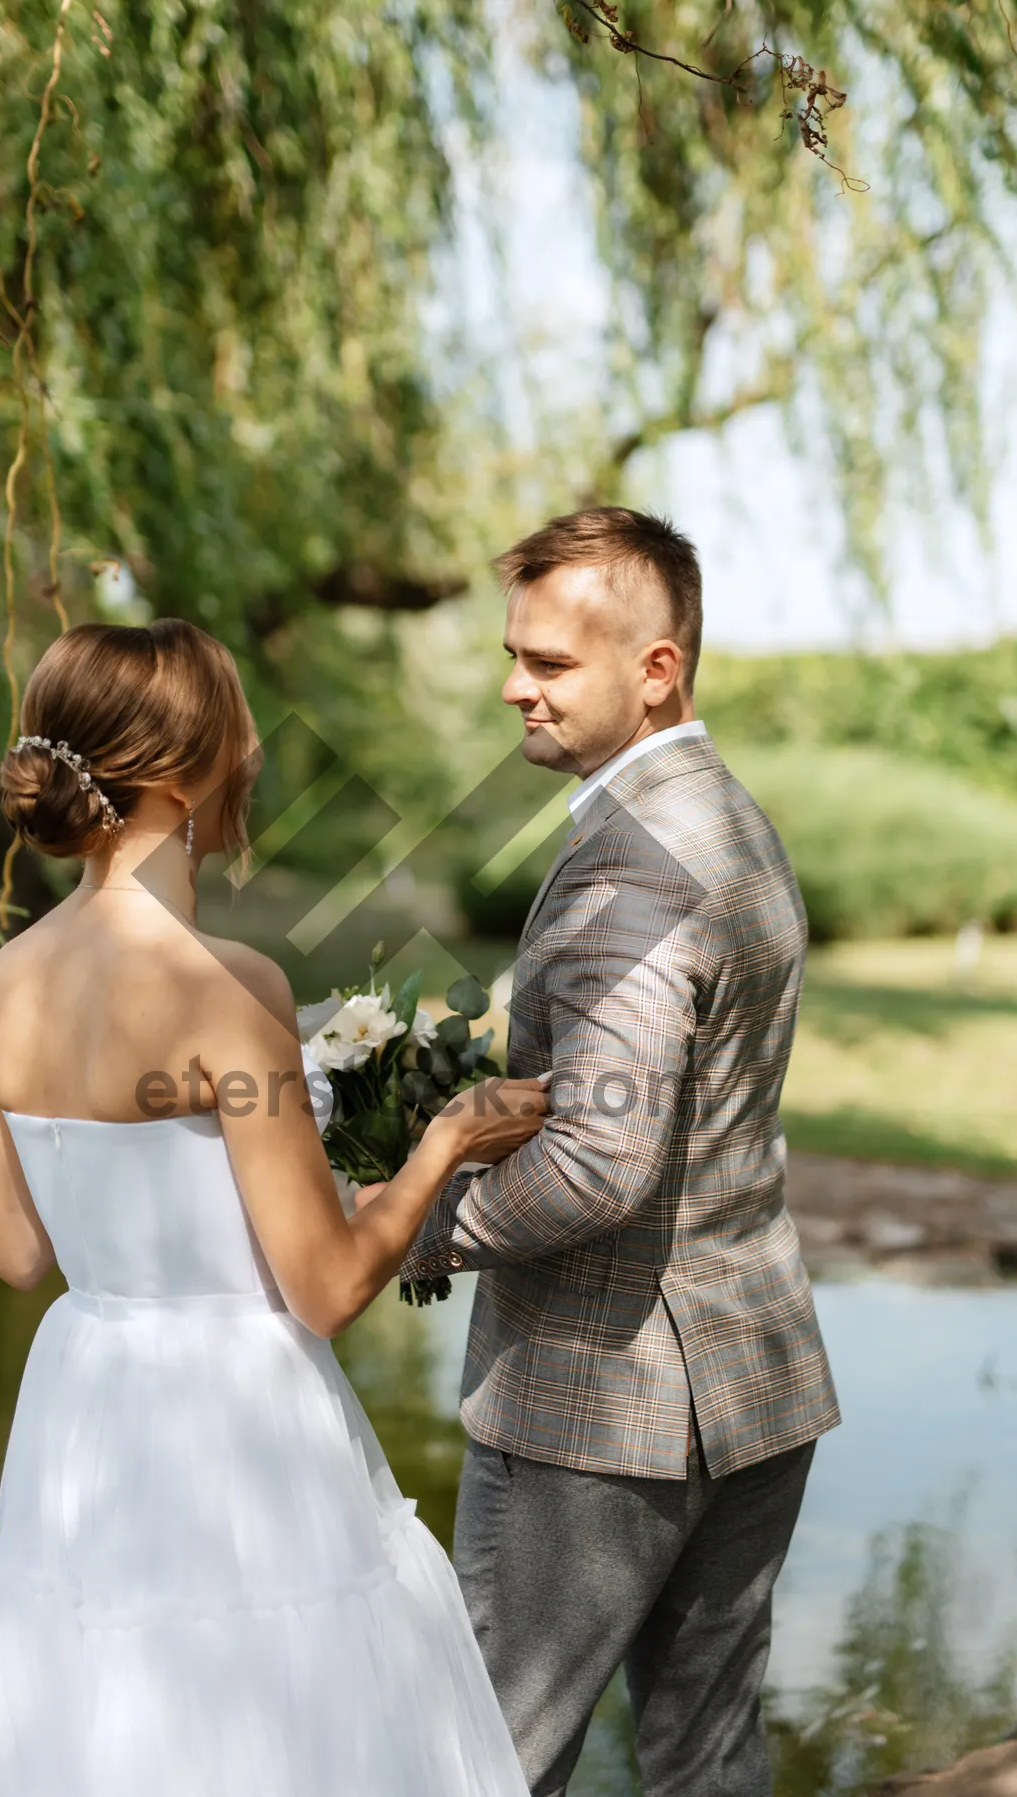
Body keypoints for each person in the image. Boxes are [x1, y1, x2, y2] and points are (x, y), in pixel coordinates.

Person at [0, 617, 548, 1797]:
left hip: (85, 1408)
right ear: (183, 776)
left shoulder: (7, 980)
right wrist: (444, 1143)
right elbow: (325, 1289)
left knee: (111, 1722)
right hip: (231, 1424)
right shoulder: (229, 991)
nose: (257, 758)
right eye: (241, 735)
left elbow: (20, 1252)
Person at [402, 507, 841, 1797]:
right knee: (707, 1756)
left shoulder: (627, 871)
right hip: (753, 1384)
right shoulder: (733, 820)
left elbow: (599, 1163)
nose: (512, 687)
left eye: (549, 664)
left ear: (659, 668)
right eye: (514, 655)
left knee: (493, 1759)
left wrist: (412, 1216)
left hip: (601, 1413)